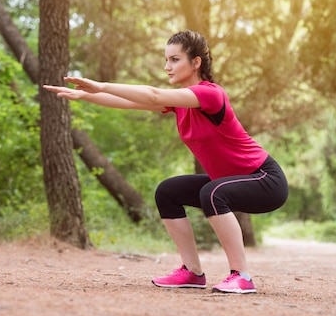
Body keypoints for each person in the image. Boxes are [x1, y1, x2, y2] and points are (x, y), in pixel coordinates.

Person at [43, 30, 288, 294]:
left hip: (265, 179)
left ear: (196, 63)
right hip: (232, 181)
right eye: (166, 60)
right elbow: (129, 102)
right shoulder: (181, 102)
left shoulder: (211, 95)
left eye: (174, 60)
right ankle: (192, 272)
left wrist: (100, 84)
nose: (166, 67)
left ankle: (242, 276)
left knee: (212, 192)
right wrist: (85, 95)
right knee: (168, 192)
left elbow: (153, 95)